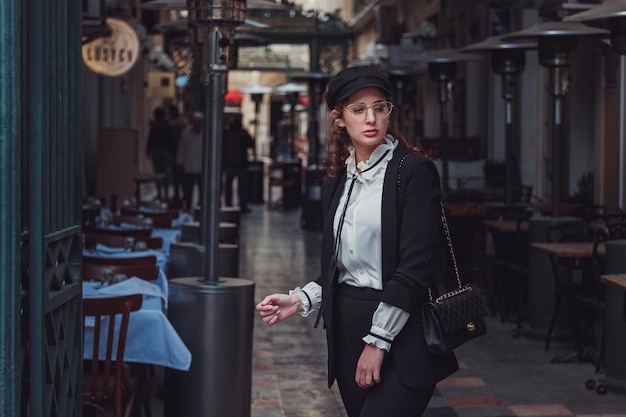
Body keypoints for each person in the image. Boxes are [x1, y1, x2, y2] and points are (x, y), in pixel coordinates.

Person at [256, 66, 459, 417]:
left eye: (380, 107)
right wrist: (302, 299)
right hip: (347, 331)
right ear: (339, 118)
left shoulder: (412, 171)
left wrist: (377, 342)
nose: (372, 118)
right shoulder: (339, 179)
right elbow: (344, 267)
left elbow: (415, 267)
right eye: (359, 109)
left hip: (402, 331)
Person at [222, 114, 255, 212]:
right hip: (238, 163)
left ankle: (230, 202)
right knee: (240, 185)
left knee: (230, 184)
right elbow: (251, 144)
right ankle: (241, 203)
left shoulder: (228, 133)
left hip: (233, 163)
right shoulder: (241, 133)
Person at [177, 111, 204, 211]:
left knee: (202, 188)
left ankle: (201, 206)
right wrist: (180, 161)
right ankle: (187, 205)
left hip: (201, 166)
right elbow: (182, 147)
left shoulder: (206, 133)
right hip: (189, 165)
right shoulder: (186, 132)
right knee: (188, 188)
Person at [145, 106, 174, 200]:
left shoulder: (155, 125)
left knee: (157, 173)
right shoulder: (168, 124)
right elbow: (171, 140)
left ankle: (160, 193)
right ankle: (165, 193)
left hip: (157, 150)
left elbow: (151, 138)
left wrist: (148, 150)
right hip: (165, 151)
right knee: (165, 173)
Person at [168, 104, 189, 203]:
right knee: (182, 178)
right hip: (182, 153)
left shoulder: (175, 124)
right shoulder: (184, 123)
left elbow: (173, 141)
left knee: (178, 177)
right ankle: (183, 195)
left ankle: (179, 195)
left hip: (177, 153)